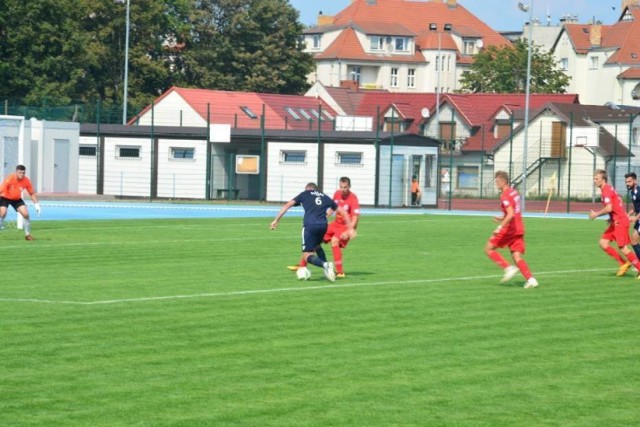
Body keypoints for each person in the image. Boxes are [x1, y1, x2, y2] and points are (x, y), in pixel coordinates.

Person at [271, 182, 355, 282]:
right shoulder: (324, 196)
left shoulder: (305, 194)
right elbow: (343, 211)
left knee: (307, 255)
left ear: (308, 189)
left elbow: (287, 205)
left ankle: (325, 265)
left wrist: (276, 220)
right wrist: (350, 228)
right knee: (317, 246)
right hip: (323, 226)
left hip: (310, 226)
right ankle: (328, 270)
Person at [287, 177, 360, 278]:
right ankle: (304, 265)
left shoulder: (353, 198)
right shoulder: (337, 194)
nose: (343, 189)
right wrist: (323, 217)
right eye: (341, 187)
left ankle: (340, 272)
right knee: (314, 240)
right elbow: (332, 209)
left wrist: (350, 230)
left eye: (345, 187)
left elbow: (355, 217)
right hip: (335, 224)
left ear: (349, 187)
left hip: (346, 227)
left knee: (334, 241)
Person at [484, 170, 538, 289]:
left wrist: (499, 227)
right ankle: (531, 280)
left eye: (497, 181)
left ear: (503, 181)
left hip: (510, 228)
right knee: (516, 256)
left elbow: (511, 213)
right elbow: (513, 212)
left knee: (488, 248)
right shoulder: (514, 192)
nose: (496, 183)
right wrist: (502, 217)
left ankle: (508, 268)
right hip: (519, 227)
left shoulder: (504, 195)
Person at [589, 169, 640, 277]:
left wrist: (596, 214)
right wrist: (612, 217)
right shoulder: (607, 189)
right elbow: (617, 201)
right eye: (594, 179)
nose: (594, 181)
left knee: (623, 248)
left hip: (620, 222)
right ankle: (624, 263)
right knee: (603, 243)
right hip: (616, 221)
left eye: (597, 179)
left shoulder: (606, 190)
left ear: (603, 180)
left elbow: (609, 207)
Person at [0, 165, 41, 240]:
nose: (22, 174)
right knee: (2, 213)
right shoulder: (10, 178)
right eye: (20, 172)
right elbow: (1, 188)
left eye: (23, 173)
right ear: (16, 172)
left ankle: (28, 235)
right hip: (5, 197)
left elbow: (31, 193)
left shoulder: (26, 181)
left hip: (16, 199)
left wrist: (37, 205)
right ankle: (1, 224)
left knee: (26, 214)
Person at [624, 172, 640, 260]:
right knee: (634, 242)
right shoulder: (633, 192)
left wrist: (636, 217)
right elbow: (636, 207)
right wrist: (628, 214)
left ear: (635, 181)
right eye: (626, 182)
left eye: (629, 182)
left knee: (634, 241)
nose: (627, 184)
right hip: (639, 220)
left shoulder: (639, 192)